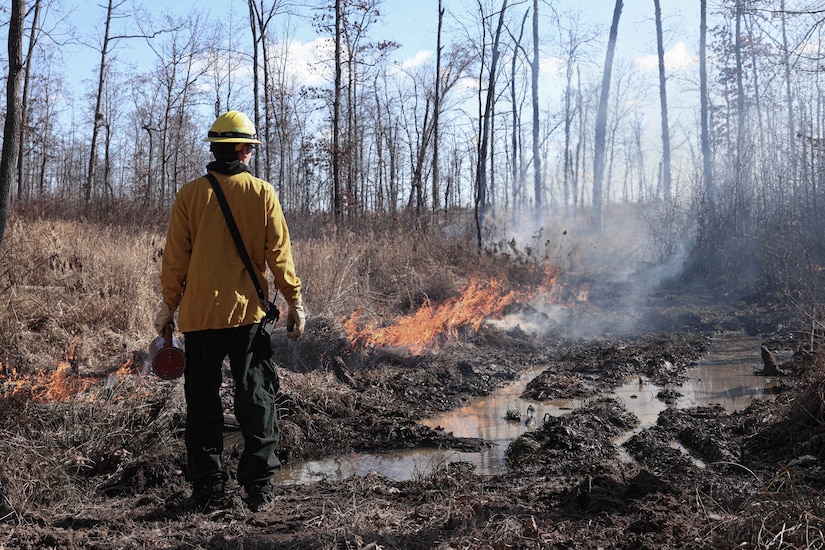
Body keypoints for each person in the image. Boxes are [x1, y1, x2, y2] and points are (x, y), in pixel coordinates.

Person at [154, 110, 305, 512]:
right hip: (248, 319)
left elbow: (175, 260)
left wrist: (169, 306)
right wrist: (293, 301)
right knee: (256, 400)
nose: (251, 154)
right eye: (250, 148)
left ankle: (208, 490)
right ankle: (259, 490)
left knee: (203, 404)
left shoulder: (190, 194)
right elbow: (279, 256)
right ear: (240, 149)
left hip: (200, 318)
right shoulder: (261, 193)